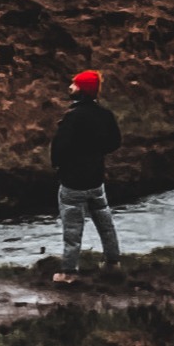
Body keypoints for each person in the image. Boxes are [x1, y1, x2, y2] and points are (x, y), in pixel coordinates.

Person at [50, 69, 121, 278]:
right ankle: (113, 263)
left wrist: (59, 166)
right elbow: (115, 142)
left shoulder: (72, 117)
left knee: (72, 230)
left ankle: (69, 272)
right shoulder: (105, 115)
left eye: (74, 84)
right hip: (96, 179)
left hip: (73, 181)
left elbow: (59, 148)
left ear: (82, 90)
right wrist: (97, 153)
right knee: (105, 223)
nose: (70, 87)